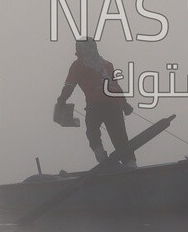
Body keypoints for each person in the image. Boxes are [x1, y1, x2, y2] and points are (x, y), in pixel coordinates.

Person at [56, 37, 135, 166]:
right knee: (119, 135)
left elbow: (69, 86)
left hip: (95, 105)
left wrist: (61, 100)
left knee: (92, 132)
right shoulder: (107, 65)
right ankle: (130, 161)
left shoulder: (78, 65)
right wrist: (124, 104)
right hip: (113, 105)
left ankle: (100, 155)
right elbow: (115, 86)